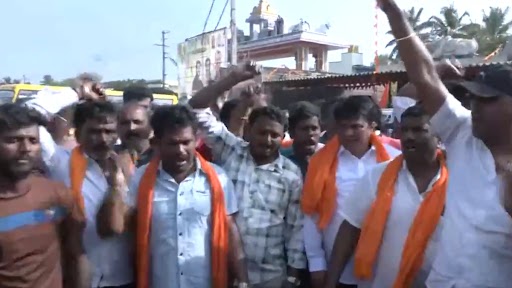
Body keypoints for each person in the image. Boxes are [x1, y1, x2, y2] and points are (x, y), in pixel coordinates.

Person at [381, 0, 512, 286]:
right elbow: (424, 75)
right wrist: (395, 14)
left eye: (486, 100)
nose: (474, 106)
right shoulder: (462, 131)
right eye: (472, 97)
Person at [98, 105, 249, 288]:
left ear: (196, 140)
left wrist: (242, 279)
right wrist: (116, 186)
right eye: (173, 143)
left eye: (186, 142)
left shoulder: (218, 179)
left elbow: (230, 229)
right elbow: (115, 227)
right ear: (157, 143)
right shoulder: (140, 179)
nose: (180, 150)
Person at [190, 63, 307, 288]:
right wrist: (232, 78)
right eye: (262, 132)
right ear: (249, 129)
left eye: (275, 135)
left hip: (271, 276)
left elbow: (296, 229)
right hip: (222, 270)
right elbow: (196, 109)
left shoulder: (291, 175)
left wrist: (292, 277)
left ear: (283, 136)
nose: (268, 139)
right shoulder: (230, 150)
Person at [325, 104, 446, 288]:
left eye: (418, 130)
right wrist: (330, 282)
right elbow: (349, 229)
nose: (408, 136)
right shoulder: (377, 176)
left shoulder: (457, 181)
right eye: (404, 130)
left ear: (439, 137)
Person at [301, 96, 401, 288]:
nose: (348, 133)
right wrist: (316, 263)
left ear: (372, 125)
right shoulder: (320, 163)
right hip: (339, 268)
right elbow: (311, 215)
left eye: (356, 126)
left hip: (384, 267)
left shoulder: (395, 160)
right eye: (342, 126)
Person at [0, 104, 87, 288]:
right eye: (13, 140)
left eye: (33, 140)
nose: (25, 148)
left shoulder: (57, 194)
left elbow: (76, 255)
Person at [49, 101, 134, 288]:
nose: (103, 139)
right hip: (80, 278)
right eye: (94, 132)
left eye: (109, 131)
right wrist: (79, 93)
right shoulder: (59, 164)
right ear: (78, 133)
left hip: (125, 277)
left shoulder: (130, 167)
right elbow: (34, 113)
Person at [282, 101, 324, 177]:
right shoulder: (281, 162)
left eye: (314, 129)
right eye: (304, 129)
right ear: (291, 132)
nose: (310, 134)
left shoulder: (330, 159)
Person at [116, 102, 153, 170]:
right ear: (117, 126)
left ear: (150, 126)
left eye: (137, 122)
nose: (131, 128)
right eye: (125, 123)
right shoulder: (110, 157)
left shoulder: (161, 158)